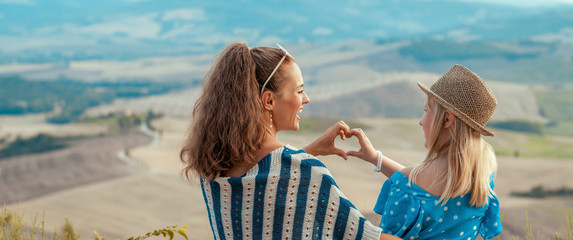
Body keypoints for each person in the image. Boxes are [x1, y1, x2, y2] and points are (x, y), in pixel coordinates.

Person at [180, 42, 401, 240]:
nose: (306, 99)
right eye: (299, 90)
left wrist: (309, 150)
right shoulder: (307, 173)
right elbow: (365, 237)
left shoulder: (211, 168)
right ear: (268, 100)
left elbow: (266, 194)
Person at [346, 64, 503, 239]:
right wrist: (376, 158)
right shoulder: (481, 180)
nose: (421, 121)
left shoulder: (405, 190)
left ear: (447, 119)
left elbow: (413, 186)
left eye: (427, 110)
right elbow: (416, 184)